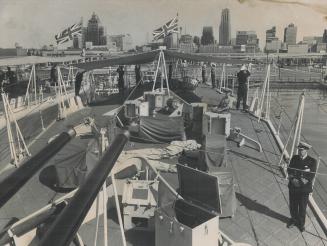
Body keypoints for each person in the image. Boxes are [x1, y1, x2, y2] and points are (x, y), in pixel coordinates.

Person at [287, 141, 317, 232]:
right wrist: (293, 180)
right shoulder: (294, 158)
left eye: (302, 150)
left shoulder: (312, 161)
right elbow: (289, 170)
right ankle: (293, 220)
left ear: (306, 150)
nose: (300, 152)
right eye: (299, 150)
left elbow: (310, 176)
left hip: (304, 189)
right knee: (293, 205)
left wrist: (299, 182)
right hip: (293, 187)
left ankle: (301, 224)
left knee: (302, 207)